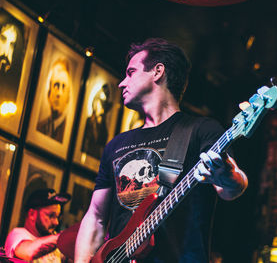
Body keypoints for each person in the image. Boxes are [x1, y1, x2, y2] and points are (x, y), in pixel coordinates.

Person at [74, 38, 248, 262]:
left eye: (131, 72)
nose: (121, 83)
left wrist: (226, 175)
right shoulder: (116, 145)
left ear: (158, 72)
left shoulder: (200, 130)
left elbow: (233, 188)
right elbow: (96, 217)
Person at [4, 188, 71, 262]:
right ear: (32, 214)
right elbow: (29, 252)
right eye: (51, 216)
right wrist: (62, 237)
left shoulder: (52, 238)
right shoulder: (17, 234)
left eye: (57, 217)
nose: (56, 222)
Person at [36, 58, 71, 142]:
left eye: (63, 87)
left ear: (68, 98)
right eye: (56, 86)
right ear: (49, 93)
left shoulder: (67, 135)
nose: (59, 93)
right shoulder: (39, 126)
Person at [81, 83, 112, 159]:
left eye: (104, 106)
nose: (102, 109)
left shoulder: (104, 128)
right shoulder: (89, 122)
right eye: (100, 105)